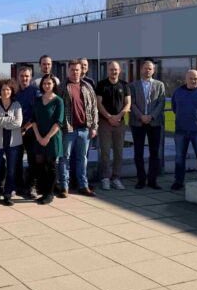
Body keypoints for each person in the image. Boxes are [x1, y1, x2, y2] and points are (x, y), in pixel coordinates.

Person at [58, 59, 98, 198]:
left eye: (77, 70)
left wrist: (94, 127)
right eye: (72, 70)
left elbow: (94, 108)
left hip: (84, 129)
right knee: (65, 158)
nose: (75, 72)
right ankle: (64, 186)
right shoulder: (62, 87)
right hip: (68, 129)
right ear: (68, 71)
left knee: (82, 158)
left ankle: (83, 186)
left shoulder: (87, 86)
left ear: (81, 71)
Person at [129, 60, 166, 190]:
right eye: (145, 68)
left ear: (153, 70)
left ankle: (152, 180)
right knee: (138, 152)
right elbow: (131, 103)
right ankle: (141, 179)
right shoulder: (133, 86)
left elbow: (161, 103)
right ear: (141, 69)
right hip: (137, 122)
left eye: (150, 68)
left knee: (154, 152)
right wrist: (141, 116)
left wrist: (151, 116)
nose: (147, 70)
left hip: (154, 122)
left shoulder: (160, 85)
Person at [96, 61, 131, 191]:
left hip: (120, 123)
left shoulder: (125, 85)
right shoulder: (101, 85)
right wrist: (109, 117)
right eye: (111, 69)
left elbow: (128, 103)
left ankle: (116, 178)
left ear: (119, 70)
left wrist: (119, 116)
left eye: (115, 69)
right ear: (108, 70)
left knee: (118, 152)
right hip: (105, 122)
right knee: (105, 152)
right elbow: (98, 103)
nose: (113, 72)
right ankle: (105, 178)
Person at [0, 79, 23, 206]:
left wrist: (2, 121)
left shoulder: (17, 105)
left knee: (11, 170)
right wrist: (9, 120)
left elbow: (18, 123)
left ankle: (8, 194)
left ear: (12, 91)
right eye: (3, 89)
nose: (5, 92)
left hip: (14, 143)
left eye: (8, 89)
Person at [31, 74, 64, 205]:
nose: (46, 86)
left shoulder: (58, 101)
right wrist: (39, 137)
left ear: (54, 85)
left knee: (51, 165)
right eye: (44, 83)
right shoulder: (38, 100)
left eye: (49, 83)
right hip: (39, 137)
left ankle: (50, 194)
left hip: (52, 138)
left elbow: (58, 122)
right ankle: (44, 191)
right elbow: (33, 120)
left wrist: (47, 137)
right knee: (40, 164)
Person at [16, 67, 38, 199]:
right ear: (18, 77)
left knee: (32, 160)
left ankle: (31, 187)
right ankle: (18, 186)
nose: (24, 78)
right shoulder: (15, 92)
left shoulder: (35, 92)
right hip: (16, 132)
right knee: (16, 160)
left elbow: (36, 114)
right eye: (22, 76)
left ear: (30, 77)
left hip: (30, 131)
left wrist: (25, 128)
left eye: (27, 76)